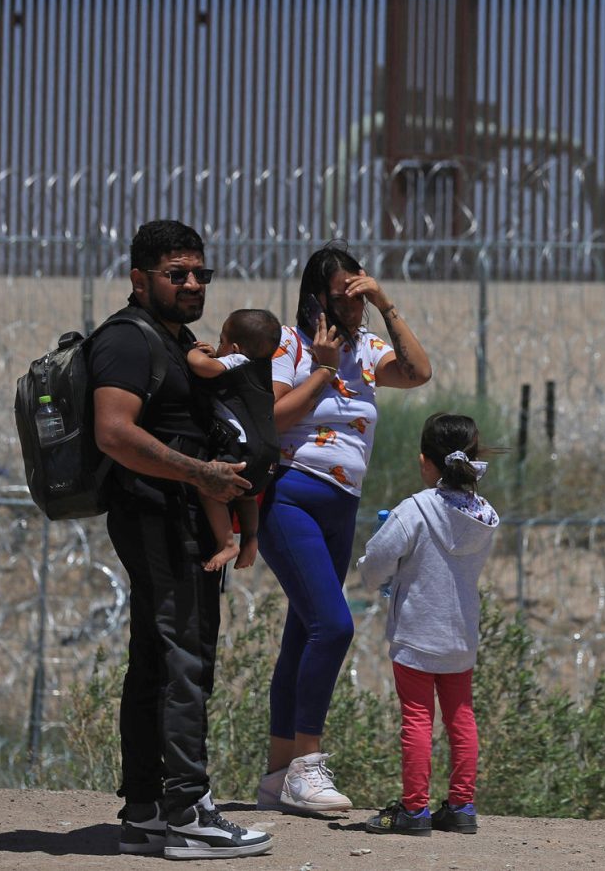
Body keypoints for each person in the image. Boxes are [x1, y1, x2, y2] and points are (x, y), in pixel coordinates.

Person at [89, 219, 272, 860]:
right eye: (177, 274)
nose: (193, 283)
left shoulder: (178, 341)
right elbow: (114, 431)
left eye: (200, 273)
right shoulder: (126, 341)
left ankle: (145, 814)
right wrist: (202, 474)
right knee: (185, 661)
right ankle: (189, 810)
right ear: (140, 280)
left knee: (157, 664)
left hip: (181, 517)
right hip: (156, 516)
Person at [256, 243, 433, 813]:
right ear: (314, 298)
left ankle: (276, 776)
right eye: (342, 298)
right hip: (291, 495)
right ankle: (306, 768)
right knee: (333, 626)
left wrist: (386, 303)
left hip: (341, 506)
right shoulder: (289, 343)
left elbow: (417, 372)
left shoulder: (367, 346)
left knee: (303, 634)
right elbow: (273, 417)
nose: (351, 310)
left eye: (358, 297)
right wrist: (324, 367)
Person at [357, 413, 499, 836]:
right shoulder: (486, 516)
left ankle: (415, 810)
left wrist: (382, 579)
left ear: (425, 462)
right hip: (461, 635)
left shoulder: (413, 510)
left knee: (417, 718)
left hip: (417, 634)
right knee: (461, 717)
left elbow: (376, 563)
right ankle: (461, 806)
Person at [185, 307, 283, 572]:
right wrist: (218, 354)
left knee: (210, 486)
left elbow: (205, 368)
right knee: (247, 495)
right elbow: (223, 369)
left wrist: (191, 352)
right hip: (268, 453)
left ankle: (227, 542)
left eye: (221, 342)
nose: (219, 347)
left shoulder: (237, 360)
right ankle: (251, 537)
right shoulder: (260, 368)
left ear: (236, 348)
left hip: (242, 448)